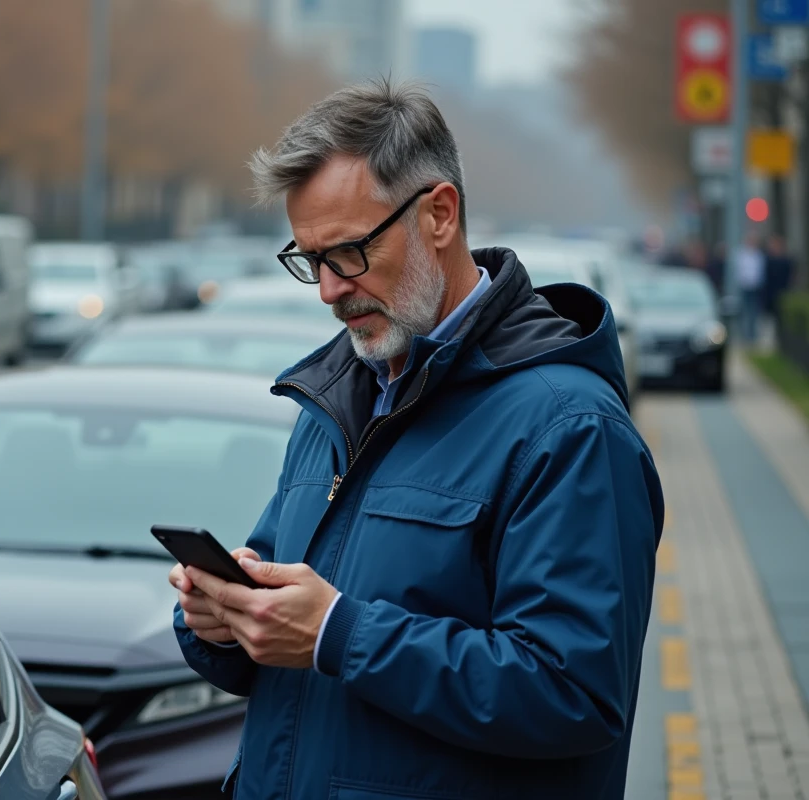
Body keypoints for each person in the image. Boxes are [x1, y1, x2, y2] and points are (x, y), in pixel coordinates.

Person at [169, 80, 664, 800]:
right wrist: (225, 621)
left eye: (348, 253)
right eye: (309, 260)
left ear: (438, 214)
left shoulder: (570, 427)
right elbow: (290, 640)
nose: (328, 292)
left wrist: (340, 634)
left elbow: (575, 692)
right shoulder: (335, 399)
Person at [736, 231, 766, 345]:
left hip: (755, 286)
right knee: (745, 311)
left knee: (754, 311)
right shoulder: (741, 254)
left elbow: (760, 271)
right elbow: (739, 270)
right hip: (744, 286)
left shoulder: (759, 255)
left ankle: (753, 335)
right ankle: (745, 334)